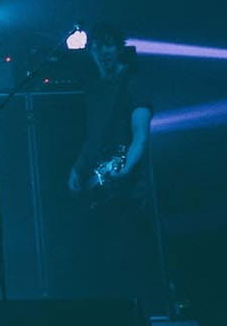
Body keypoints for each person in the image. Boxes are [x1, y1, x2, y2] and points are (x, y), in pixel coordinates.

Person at [63, 24, 163, 313]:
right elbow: (93, 136)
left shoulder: (133, 84)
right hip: (99, 188)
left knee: (126, 256)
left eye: (108, 46)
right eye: (97, 46)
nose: (102, 52)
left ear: (118, 49)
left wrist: (126, 169)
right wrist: (77, 168)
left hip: (128, 189)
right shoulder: (95, 90)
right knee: (101, 261)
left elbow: (140, 135)